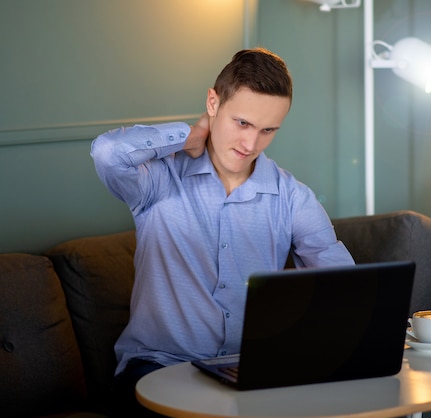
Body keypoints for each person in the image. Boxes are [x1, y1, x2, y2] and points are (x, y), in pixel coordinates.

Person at [91, 47, 354, 413]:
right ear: (213, 103)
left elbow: (344, 287)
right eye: (242, 123)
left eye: (268, 130)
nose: (251, 144)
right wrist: (190, 134)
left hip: (248, 373)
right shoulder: (160, 179)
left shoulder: (292, 197)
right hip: (157, 368)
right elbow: (107, 153)